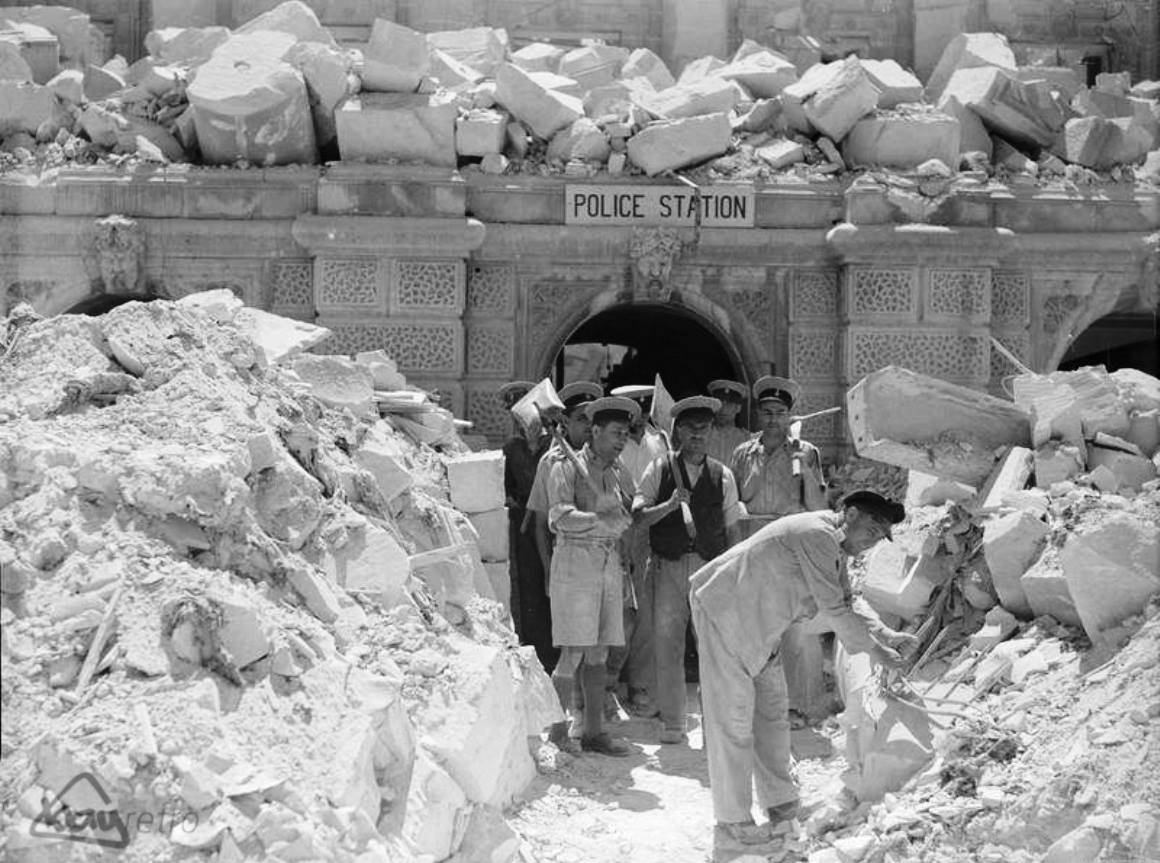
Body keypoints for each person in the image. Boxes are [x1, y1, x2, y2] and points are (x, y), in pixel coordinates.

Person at [689, 491, 919, 845]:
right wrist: (880, 653)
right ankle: (732, 821)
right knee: (733, 722)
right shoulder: (818, 534)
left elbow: (849, 599)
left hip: (763, 626)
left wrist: (886, 633)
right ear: (851, 514)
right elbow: (836, 610)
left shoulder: (836, 547)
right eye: (871, 531)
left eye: (880, 537)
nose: (872, 542)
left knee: (772, 715)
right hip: (725, 612)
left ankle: (780, 804)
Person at [632, 396, 742, 744]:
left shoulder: (722, 474)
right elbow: (638, 516)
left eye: (704, 428)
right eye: (690, 428)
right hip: (668, 566)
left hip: (709, 568)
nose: (698, 435)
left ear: (711, 431)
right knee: (668, 645)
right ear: (677, 431)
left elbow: (732, 529)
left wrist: (732, 573)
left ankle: (713, 725)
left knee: (712, 648)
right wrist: (668, 506)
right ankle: (674, 723)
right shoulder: (659, 469)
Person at [729, 375, 830, 725]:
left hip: (790, 551)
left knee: (794, 632)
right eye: (767, 412)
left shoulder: (807, 453)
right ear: (758, 415)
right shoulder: (743, 454)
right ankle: (760, 705)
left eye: (780, 412)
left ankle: (795, 707)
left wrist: (806, 467)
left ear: (789, 416)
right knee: (757, 629)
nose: (773, 419)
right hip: (755, 547)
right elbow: (735, 504)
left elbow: (818, 508)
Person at [545, 396, 640, 757]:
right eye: (615, 433)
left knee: (599, 650)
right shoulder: (564, 466)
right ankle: (556, 732)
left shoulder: (617, 473)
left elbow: (630, 510)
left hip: (607, 563)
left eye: (625, 434)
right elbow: (558, 517)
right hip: (575, 561)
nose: (620, 441)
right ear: (595, 430)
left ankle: (595, 732)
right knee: (574, 650)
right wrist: (597, 518)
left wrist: (624, 514)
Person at [520, 381, 603, 674]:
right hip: (568, 561)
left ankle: (596, 702)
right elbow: (541, 525)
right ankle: (570, 707)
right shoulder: (551, 462)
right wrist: (547, 569)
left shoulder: (605, 460)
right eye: (582, 419)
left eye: (594, 420)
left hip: (603, 562)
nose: (589, 427)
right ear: (565, 422)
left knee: (601, 641)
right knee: (572, 641)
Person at [607, 383, 668, 716]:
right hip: (618, 531)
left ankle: (640, 684)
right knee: (619, 614)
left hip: (651, 533)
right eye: (635, 411)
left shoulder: (660, 441)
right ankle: (611, 684)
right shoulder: (613, 445)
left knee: (646, 614)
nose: (640, 417)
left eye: (645, 409)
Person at [500, 380, 543, 647]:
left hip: (548, 522)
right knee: (527, 584)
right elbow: (505, 487)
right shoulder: (511, 448)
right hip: (523, 526)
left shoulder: (554, 446)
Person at [706, 379, 751, 466]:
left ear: (738, 408)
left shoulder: (746, 439)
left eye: (729, 404)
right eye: (720, 403)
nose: (723, 409)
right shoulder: (702, 435)